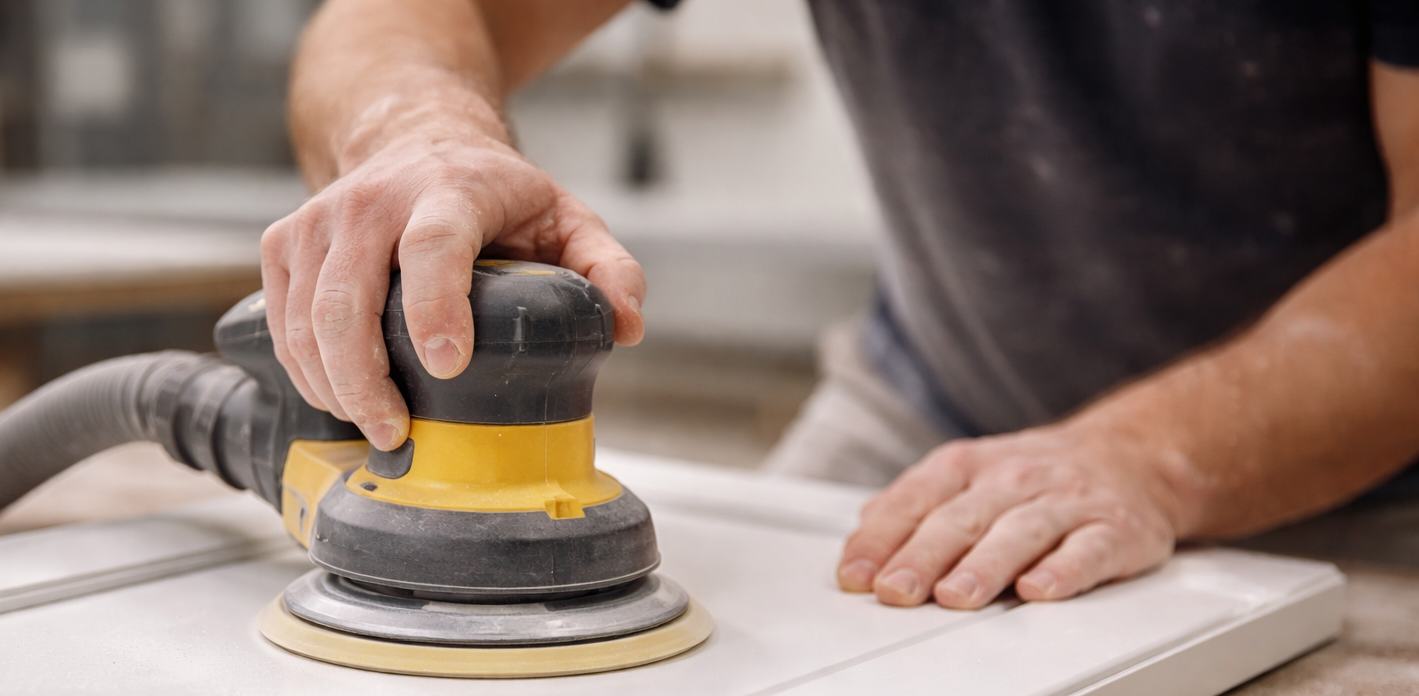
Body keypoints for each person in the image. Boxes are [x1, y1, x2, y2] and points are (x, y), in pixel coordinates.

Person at [261, 0, 1419, 611]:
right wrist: (420, 134)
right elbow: (396, 14)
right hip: (929, 404)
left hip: (1360, 456)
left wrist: (1155, 458)